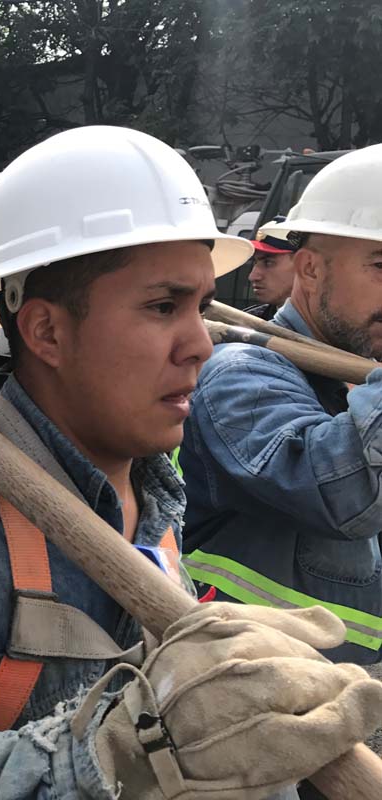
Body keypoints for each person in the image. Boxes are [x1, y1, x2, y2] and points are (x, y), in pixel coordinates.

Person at [0, 126, 382, 800]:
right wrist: (133, 748)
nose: (201, 344)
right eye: (163, 306)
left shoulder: (156, 484)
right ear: (46, 330)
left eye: (201, 305)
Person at [181, 144, 382, 666]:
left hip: (345, 703)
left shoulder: (358, 382)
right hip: (239, 701)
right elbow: (345, 492)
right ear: (311, 269)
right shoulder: (240, 374)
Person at [245, 216, 297, 320]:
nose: (253, 276)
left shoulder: (333, 330)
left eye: (268, 262)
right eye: (255, 262)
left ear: (305, 264)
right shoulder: (248, 322)